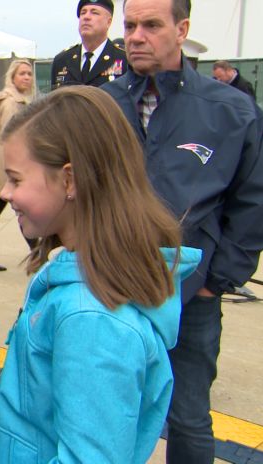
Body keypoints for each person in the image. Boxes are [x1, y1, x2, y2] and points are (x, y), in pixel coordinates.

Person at [0, 85, 201, 463]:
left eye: (16, 179)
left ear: (70, 181)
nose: (5, 192)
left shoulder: (91, 318)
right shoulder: (87, 291)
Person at [102, 0, 263, 462]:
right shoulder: (100, 105)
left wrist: (217, 281)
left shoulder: (231, 112)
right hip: (110, 289)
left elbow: (252, 202)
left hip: (189, 298)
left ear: (182, 29)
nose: (135, 36)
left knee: (189, 419)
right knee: (104, 411)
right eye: (130, 25)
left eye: (151, 25)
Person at [0, 59, 36, 271]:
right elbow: (12, 136)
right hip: (6, 159)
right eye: (22, 74)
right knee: (19, 205)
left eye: (29, 74)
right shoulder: (12, 103)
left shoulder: (17, 100)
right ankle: (38, 252)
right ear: (12, 77)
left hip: (4, 156)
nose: (27, 78)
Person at [51, 0, 126, 89]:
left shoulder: (124, 59)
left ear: (108, 22)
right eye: (83, 13)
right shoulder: (62, 60)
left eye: (94, 13)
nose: (86, 17)